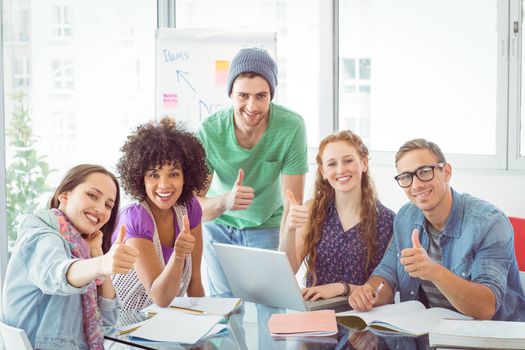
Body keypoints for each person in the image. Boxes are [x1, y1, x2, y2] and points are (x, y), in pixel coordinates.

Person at [349, 138, 525, 321]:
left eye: (425, 171)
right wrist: (369, 292)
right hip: (430, 334)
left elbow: (486, 307)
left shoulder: (489, 223)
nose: (416, 185)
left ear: (446, 172)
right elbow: (386, 273)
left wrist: (433, 271)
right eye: (406, 177)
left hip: (491, 337)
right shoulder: (406, 217)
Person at [196, 47, 308, 297]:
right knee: (223, 308)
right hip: (219, 226)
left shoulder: (291, 127)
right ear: (231, 94)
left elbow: (293, 203)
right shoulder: (209, 131)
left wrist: (287, 255)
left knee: (271, 303)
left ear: (271, 95)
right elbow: (195, 207)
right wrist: (226, 201)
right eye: (243, 95)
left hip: (267, 225)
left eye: (261, 96)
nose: (252, 106)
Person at [1, 164, 138, 349]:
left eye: (108, 205)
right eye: (92, 195)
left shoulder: (80, 246)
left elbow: (109, 318)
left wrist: (96, 251)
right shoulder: (40, 233)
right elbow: (57, 273)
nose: (100, 208)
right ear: (64, 195)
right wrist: (101, 263)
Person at [279, 130, 395, 300]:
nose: (341, 170)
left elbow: (385, 291)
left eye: (348, 161)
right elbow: (286, 271)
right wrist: (289, 229)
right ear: (323, 172)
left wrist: (341, 289)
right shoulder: (313, 209)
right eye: (332, 164)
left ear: (364, 163)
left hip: (363, 317)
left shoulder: (387, 220)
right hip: (318, 313)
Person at [112, 117, 207, 310]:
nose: (164, 185)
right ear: (141, 178)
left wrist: (206, 322)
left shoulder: (189, 208)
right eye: (154, 175)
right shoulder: (134, 218)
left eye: (173, 174)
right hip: (123, 324)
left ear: (185, 176)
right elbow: (160, 297)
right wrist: (178, 256)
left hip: (163, 319)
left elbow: (194, 282)